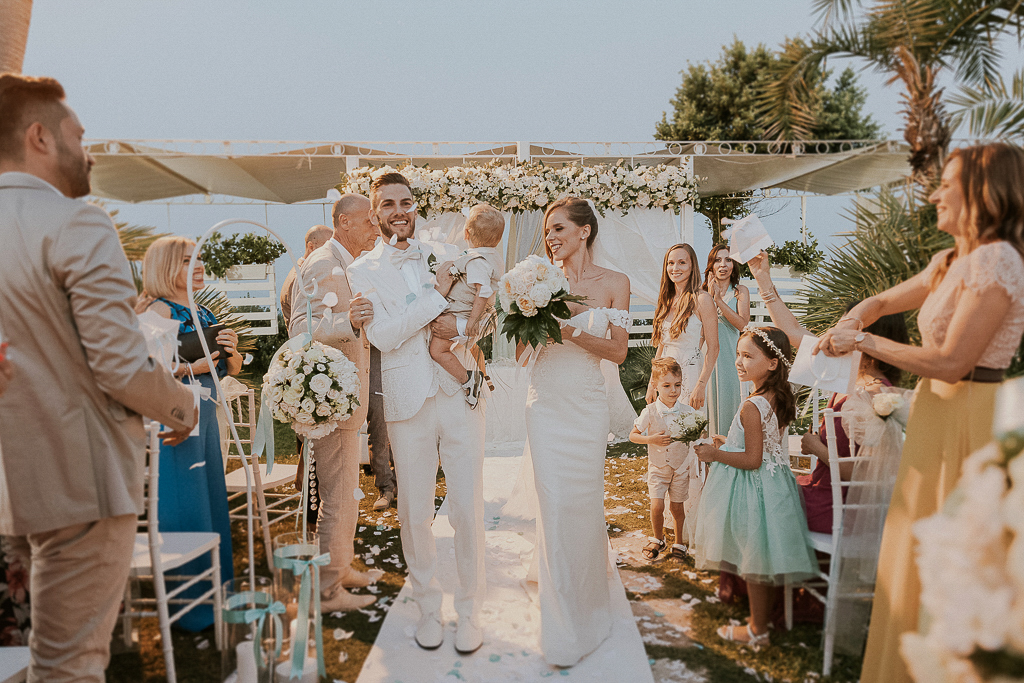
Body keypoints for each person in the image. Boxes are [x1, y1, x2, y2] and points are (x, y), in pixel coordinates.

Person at [0, 73, 196, 681]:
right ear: (39, 136)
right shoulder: (75, 224)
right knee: (69, 665)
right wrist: (184, 406)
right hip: (77, 475)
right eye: (78, 136)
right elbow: (118, 365)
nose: (88, 151)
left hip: (8, 479)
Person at [814, 143, 1024, 683]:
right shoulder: (951, 261)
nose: (935, 194)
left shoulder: (999, 259)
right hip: (934, 416)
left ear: (983, 191)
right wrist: (854, 318)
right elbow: (882, 304)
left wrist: (860, 341)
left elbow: (952, 361)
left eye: (946, 183)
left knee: (959, 559)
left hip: (969, 416)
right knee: (913, 548)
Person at [347, 172, 488, 655]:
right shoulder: (361, 271)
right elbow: (383, 337)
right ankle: (429, 606)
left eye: (406, 201)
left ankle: (469, 609)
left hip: (458, 391)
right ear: (374, 214)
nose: (399, 210)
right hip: (407, 402)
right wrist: (433, 299)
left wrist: (465, 326)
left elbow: (475, 312)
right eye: (388, 204)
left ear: (415, 206)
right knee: (414, 511)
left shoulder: (444, 254)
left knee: (468, 507)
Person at [521, 196, 631, 667]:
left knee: (582, 502)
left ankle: (586, 602)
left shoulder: (615, 284)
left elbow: (620, 353)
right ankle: (560, 616)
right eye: (548, 231)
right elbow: (525, 352)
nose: (551, 238)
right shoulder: (534, 281)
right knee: (554, 501)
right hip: (544, 402)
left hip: (586, 405)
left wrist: (571, 332)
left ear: (584, 231)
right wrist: (531, 323)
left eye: (559, 229)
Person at [746, 253, 909, 533]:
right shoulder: (846, 376)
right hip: (819, 491)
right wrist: (763, 279)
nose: (833, 335)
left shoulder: (882, 397)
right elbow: (795, 334)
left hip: (838, 508)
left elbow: (868, 474)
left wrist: (815, 447)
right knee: (751, 492)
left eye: (844, 328)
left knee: (755, 501)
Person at [137, 235, 242, 631]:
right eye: (186, 260)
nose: (197, 265)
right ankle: (190, 605)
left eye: (197, 258)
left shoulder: (202, 309)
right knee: (185, 501)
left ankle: (218, 589)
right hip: (175, 418)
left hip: (208, 412)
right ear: (165, 267)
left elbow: (229, 370)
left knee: (213, 496)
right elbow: (145, 372)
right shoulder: (157, 310)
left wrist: (232, 355)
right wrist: (192, 370)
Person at [693, 326, 818, 648]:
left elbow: (751, 459)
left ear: (773, 363)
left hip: (753, 490)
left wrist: (714, 453)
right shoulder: (775, 397)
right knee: (760, 558)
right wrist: (729, 441)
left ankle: (757, 629)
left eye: (748, 356)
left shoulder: (752, 404)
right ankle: (760, 623)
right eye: (738, 354)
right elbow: (764, 444)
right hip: (777, 487)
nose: (739, 361)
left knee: (753, 561)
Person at [289, 192, 380, 611]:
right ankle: (326, 589)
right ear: (345, 222)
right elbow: (299, 331)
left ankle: (340, 569)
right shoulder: (324, 263)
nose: (376, 227)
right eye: (369, 220)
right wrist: (348, 321)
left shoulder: (347, 263)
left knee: (347, 492)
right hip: (331, 400)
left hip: (347, 395)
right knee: (337, 496)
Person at [645, 243, 719, 546]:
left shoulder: (701, 299)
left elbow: (713, 346)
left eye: (682, 263)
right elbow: (661, 348)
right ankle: (669, 520)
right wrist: (653, 382)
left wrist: (701, 383)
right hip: (665, 378)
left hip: (690, 378)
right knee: (665, 445)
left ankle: (692, 522)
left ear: (693, 265)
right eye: (671, 263)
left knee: (687, 448)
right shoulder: (666, 300)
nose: (675, 268)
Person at [428, 203, 505, 407]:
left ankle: (469, 379)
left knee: (437, 350)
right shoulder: (492, 257)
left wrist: (471, 321)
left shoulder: (477, 261)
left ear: (466, 233)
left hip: (462, 313)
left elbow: (483, 291)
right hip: (463, 312)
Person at [630, 357, 692, 562]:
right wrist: (651, 439)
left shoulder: (687, 411)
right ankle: (658, 538)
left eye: (677, 385)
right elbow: (633, 435)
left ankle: (679, 542)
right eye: (667, 386)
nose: (673, 390)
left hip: (680, 468)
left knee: (677, 507)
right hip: (658, 467)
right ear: (655, 386)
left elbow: (697, 434)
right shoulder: (649, 412)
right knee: (657, 505)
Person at [702, 244, 750, 436]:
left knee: (730, 404)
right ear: (711, 265)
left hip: (730, 355)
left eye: (728, 260)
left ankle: (730, 453)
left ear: (734, 264)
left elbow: (743, 325)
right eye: (718, 260)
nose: (723, 265)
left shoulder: (740, 291)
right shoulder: (701, 292)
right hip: (706, 355)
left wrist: (719, 301)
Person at [280, 224, 333, 323]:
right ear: (311, 247)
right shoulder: (299, 278)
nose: (332, 253)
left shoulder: (305, 272)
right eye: (328, 248)